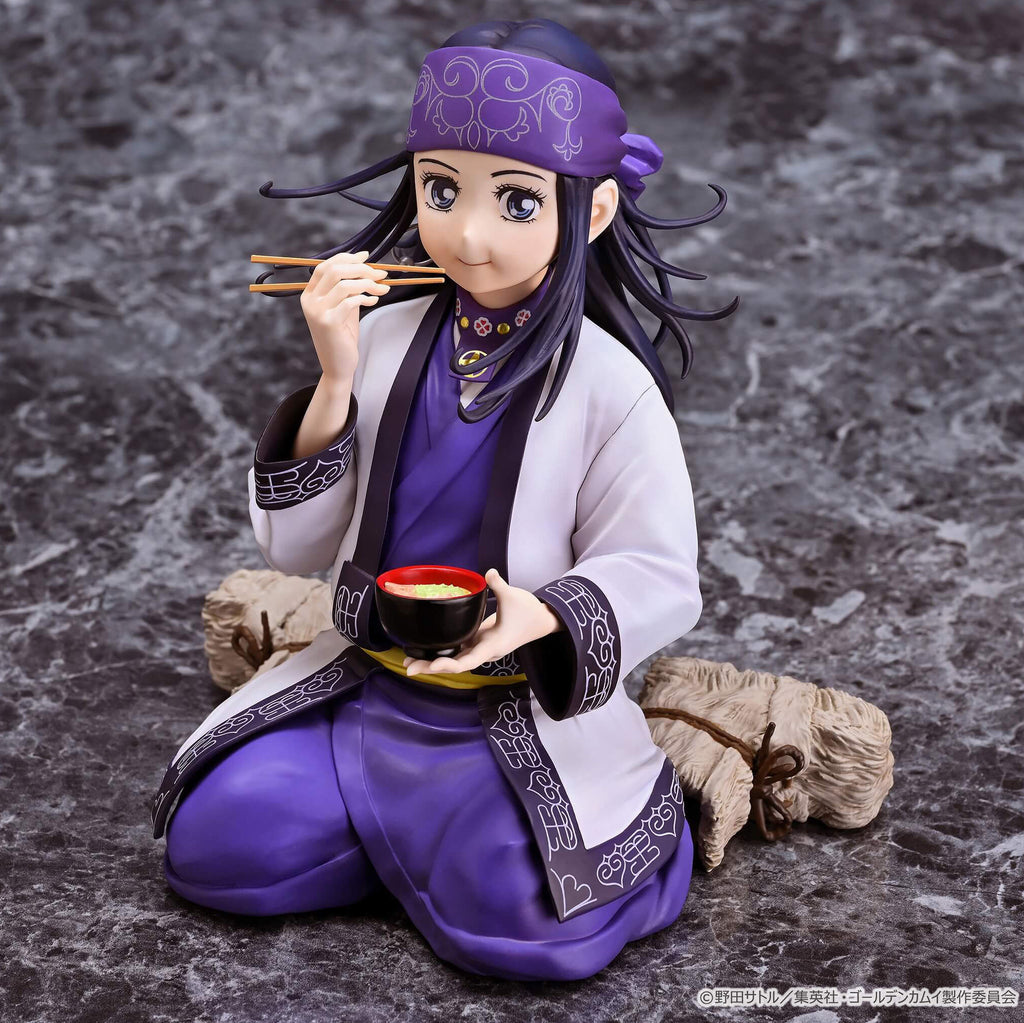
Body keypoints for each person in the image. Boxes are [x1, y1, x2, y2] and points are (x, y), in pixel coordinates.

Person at [150, 18, 737, 982]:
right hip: (368, 688)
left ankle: (553, 838)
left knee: (531, 934)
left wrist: (544, 614)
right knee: (219, 844)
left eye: (517, 200)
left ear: (590, 211)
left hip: (513, 714)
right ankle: (406, 848)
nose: (467, 234)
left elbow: (659, 570)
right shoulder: (383, 339)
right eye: (439, 190)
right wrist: (335, 380)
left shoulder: (609, 386)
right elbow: (296, 550)